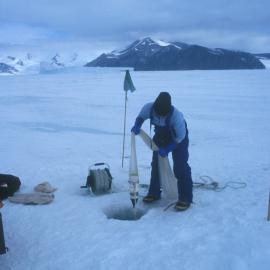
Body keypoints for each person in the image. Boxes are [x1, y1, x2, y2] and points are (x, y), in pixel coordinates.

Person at [131, 92, 193, 211]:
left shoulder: (176, 117)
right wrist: (137, 125)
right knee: (157, 164)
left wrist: (168, 149)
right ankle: (154, 192)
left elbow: (179, 138)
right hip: (160, 136)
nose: (160, 115)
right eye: (157, 113)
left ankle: (185, 198)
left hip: (178, 139)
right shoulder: (149, 107)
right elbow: (140, 117)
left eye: (163, 114)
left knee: (180, 166)